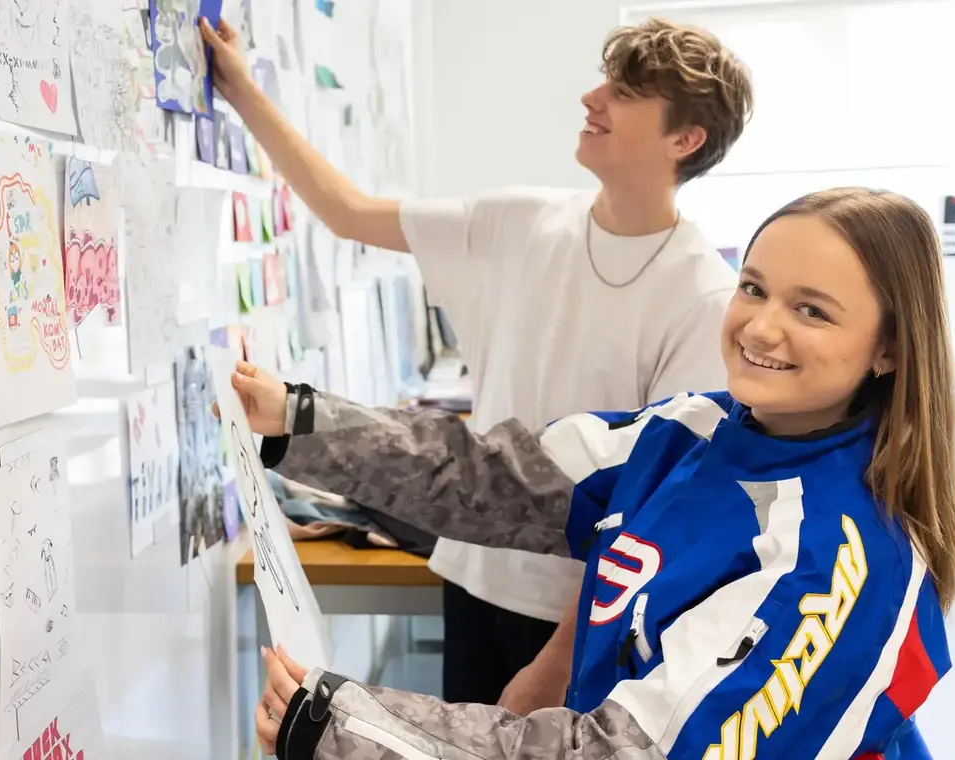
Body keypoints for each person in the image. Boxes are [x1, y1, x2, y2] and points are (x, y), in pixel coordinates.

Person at [234, 187, 955, 759]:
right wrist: (300, 421)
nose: (762, 326)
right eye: (753, 287)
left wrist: (337, 727)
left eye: (811, 309)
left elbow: (623, 755)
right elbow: (499, 479)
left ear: (890, 351)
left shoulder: (836, 566)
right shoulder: (693, 430)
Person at [201, 17, 756, 713]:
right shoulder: (517, 222)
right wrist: (241, 89)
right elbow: (346, 212)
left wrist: (557, 661)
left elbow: (651, 504)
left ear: (685, 139)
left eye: (623, 91)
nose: (592, 98)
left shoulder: (702, 295)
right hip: (471, 574)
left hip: (576, 617)